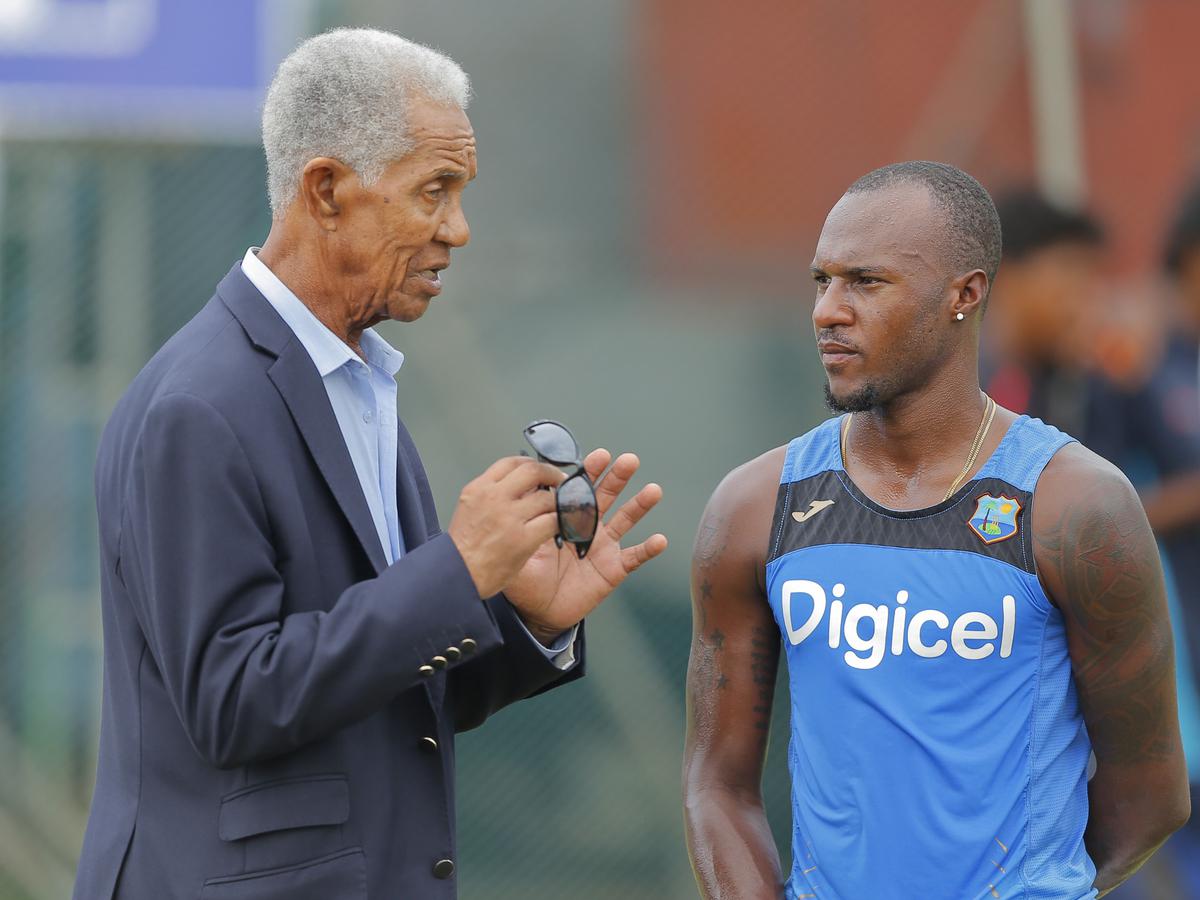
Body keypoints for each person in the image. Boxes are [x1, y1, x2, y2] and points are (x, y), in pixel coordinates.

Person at [73, 29, 667, 900]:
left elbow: (392, 687)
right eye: (435, 190)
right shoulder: (197, 408)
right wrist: (455, 571)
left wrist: (525, 622)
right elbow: (233, 701)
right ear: (326, 191)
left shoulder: (355, 382)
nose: (457, 230)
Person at [683, 161, 1189, 899]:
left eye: (866, 281)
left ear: (966, 294)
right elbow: (717, 785)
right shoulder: (756, 508)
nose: (828, 309)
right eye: (821, 281)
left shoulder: (1076, 506)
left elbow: (1151, 798)